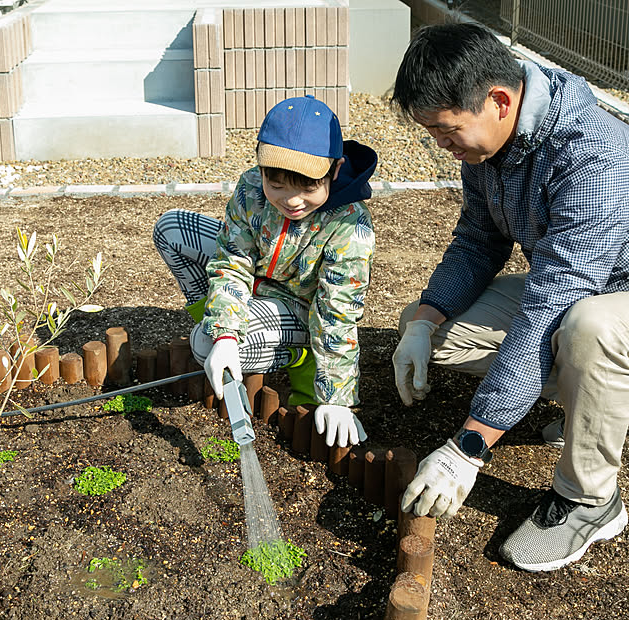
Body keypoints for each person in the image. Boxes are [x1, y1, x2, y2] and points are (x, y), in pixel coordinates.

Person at [391, 22, 629, 572]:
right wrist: (424, 322)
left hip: (607, 299)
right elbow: (478, 240)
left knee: (587, 329)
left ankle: (591, 500)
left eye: (446, 130)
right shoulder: (489, 148)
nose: (442, 146)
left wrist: (468, 447)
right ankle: (588, 400)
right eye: (432, 134)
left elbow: (549, 306)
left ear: (499, 101)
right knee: (432, 327)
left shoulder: (593, 156)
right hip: (580, 285)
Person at [154, 94, 377, 449]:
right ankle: (219, 332)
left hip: (299, 307)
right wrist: (224, 334)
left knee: (201, 342)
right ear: (261, 168)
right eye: (277, 185)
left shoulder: (349, 224)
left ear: (334, 169)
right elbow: (232, 260)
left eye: (308, 187)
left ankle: (296, 353)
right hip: (255, 281)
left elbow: (336, 313)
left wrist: (337, 396)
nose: (292, 200)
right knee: (172, 229)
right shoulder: (251, 190)